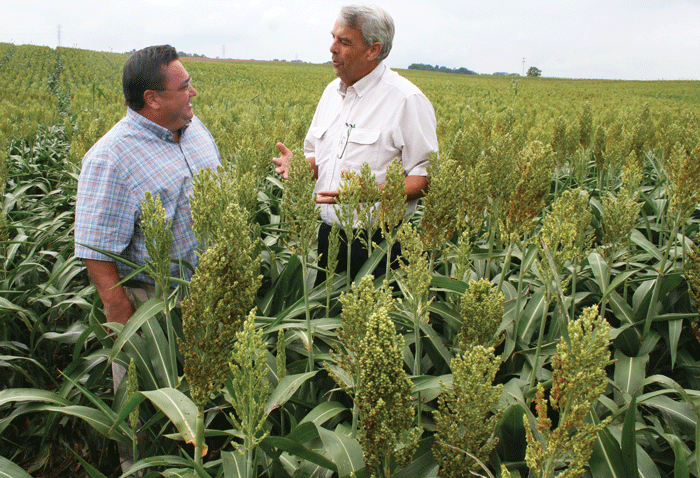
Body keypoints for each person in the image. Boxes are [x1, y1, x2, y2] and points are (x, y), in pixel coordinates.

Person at [273, 3, 438, 281]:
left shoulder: (406, 100)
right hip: (329, 237)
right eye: (333, 37)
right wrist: (301, 167)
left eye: (344, 41)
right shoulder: (330, 94)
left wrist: (372, 191)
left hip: (380, 246)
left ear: (373, 49)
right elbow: (320, 160)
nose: (332, 48)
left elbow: (426, 179)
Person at [75, 44, 220, 325]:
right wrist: (117, 307)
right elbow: (95, 247)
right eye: (184, 87)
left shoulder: (195, 128)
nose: (193, 93)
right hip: (156, 302)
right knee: (157, 371)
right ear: (152, 99)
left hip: (211, 287)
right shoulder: (110, 157)